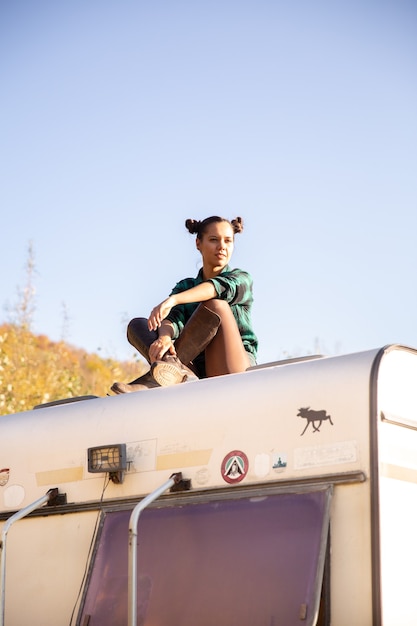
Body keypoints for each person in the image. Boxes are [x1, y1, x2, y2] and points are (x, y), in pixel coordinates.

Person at [111, 215, 258, 394]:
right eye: (214, 240)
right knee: (138, 325)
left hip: (232, 367)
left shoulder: (241, 279)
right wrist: (164, 337)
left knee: (215, 306)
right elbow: (173, 318)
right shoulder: (186, 286)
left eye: (228, 241)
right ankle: (171, 370)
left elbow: (216, 288)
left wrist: (173, 299)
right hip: (193, 368)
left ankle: (157, 376)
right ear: (198, 244)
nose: (222, 247)